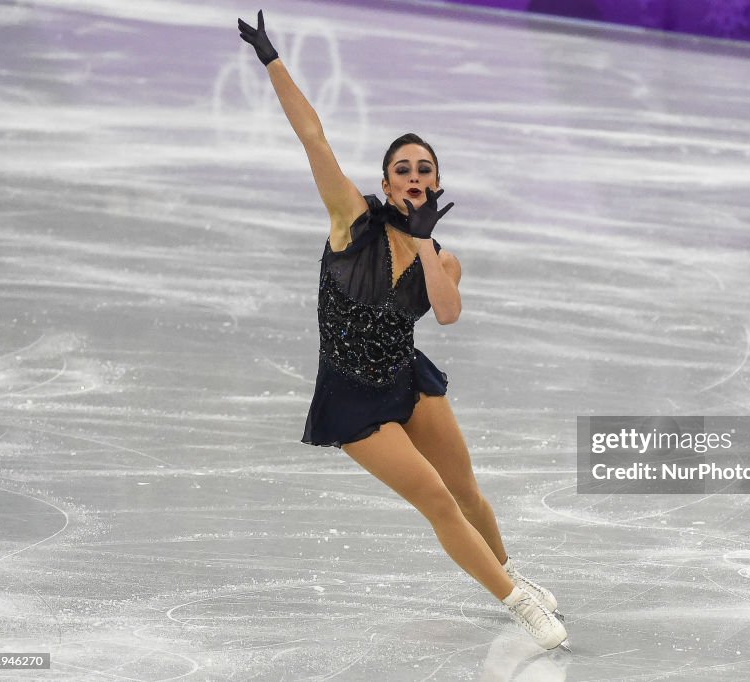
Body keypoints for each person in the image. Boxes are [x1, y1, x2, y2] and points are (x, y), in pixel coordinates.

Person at [238, 10, 569, 650]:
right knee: (437, 499)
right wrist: (272, 60)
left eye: (425, 170)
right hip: (351, 398)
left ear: (436, 183)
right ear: (386, 181)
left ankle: (505, 573)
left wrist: (423, 246)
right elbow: (314, 138)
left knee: (467, 490)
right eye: (403, 169)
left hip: (407, 381)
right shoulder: (350, 220)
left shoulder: (443, 258)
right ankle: (518, 603)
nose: (415, 177)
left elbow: (445, 313)